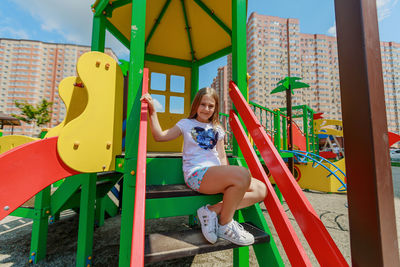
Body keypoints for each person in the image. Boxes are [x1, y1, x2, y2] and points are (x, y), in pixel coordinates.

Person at [141, 87, 267, 246]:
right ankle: (225, 225)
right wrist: (152, 112)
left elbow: (221, 156)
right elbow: (159, 136)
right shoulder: (186, 124)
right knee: (243, 174)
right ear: (196, 105)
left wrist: (228, 178)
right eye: (203, 104)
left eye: (211, 106)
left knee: (261, 189)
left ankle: (211, 211)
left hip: (216, 176)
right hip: (197, 174)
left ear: (215, 108)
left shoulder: (218, 128)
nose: (206, 109)